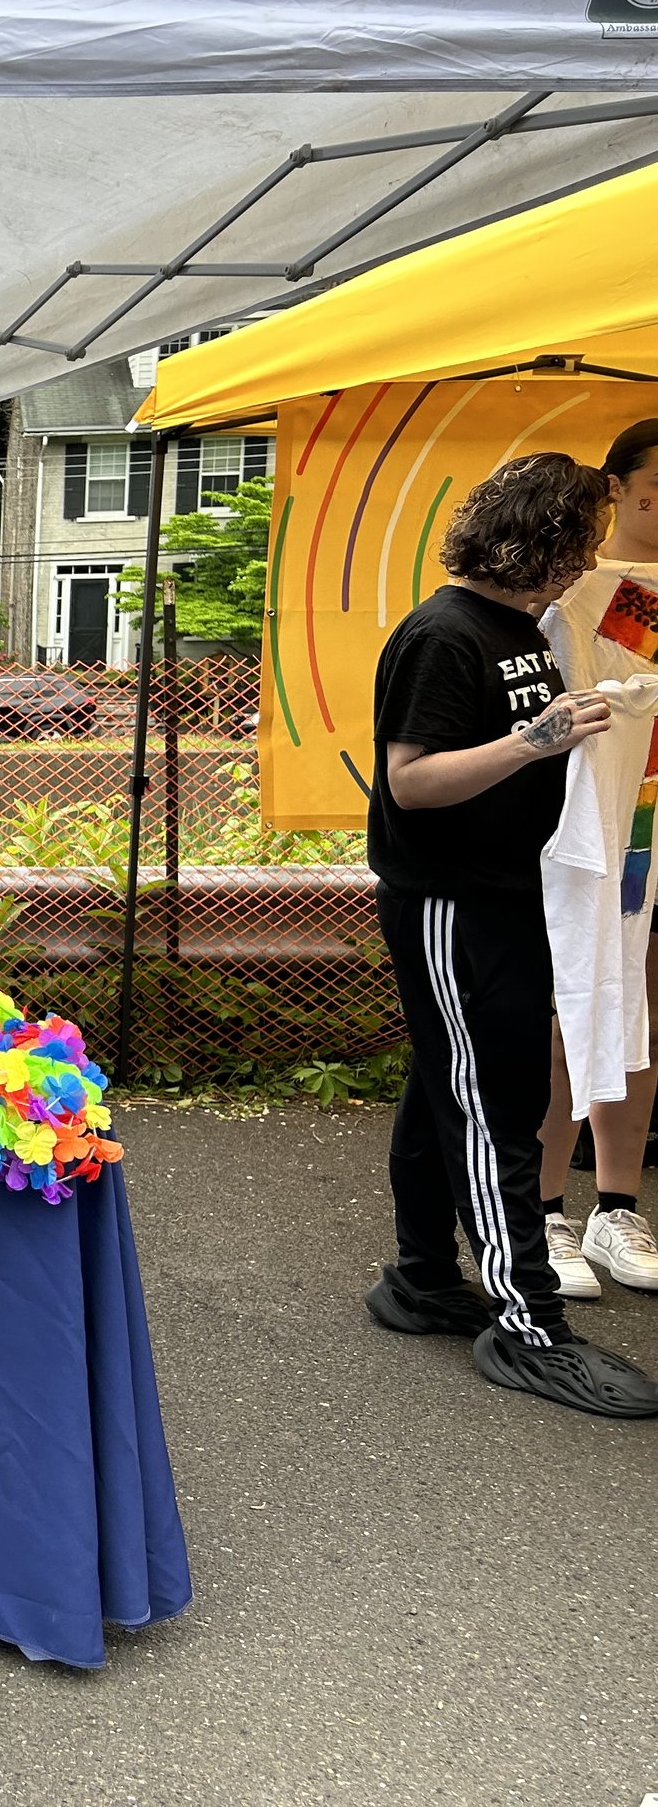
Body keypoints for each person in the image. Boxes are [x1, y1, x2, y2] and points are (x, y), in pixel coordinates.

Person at [361, 450, 658, 1418]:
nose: (584, 563)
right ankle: (526, 1321)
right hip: (450, 900)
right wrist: (538, 738)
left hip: (500, 889)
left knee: (440, 1083)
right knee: (489, 1099)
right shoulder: (443, 636)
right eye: (574, 544)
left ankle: (418, 1278)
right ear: (535, 539)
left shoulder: (514, 626)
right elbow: (410, 781)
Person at [538, 418, 658, 1298]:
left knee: (643, 1002)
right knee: (570, 996)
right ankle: (543, 1209)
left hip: (650, 824)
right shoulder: (573, 591)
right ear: (616, 485)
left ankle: (619, 1203)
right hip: (597, 827)